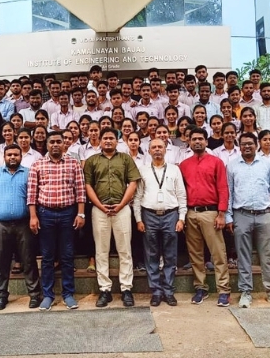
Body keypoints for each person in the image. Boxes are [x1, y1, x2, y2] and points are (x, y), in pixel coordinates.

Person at [27, 131, 87, 311]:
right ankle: (48, 295)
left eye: (58, 141)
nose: (55, 144)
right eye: (51, 141)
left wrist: (81, 214)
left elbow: (80, 190)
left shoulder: (73, 163)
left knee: (67, 256)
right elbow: (32, 193)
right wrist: (33, 216)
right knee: (47, 257)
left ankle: (68, 294)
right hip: (45, 214)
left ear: (64, 144)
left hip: (68, 214)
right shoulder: (37, 164)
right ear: (47, 145)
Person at [225, 132, 270, 308]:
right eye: (243, 144)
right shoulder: (232, 165)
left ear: (256, 145)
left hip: (264, 214)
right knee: (243, 256)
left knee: (268, 256)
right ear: (239, 146)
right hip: (241, 214)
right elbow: (229, 192)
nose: (247, 146)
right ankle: (245, 292)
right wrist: (228, 216)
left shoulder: (267, 164)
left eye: (250, 143)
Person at [84, 128, 141, 308]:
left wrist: (122, 204)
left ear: (117, 141)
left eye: (111, 138)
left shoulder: (125, 159)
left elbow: (133, 183)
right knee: (101, 251)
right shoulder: (92, 161)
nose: (108, 141)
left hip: (121, 209)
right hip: (99, 210)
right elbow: (87, 186)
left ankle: (126, 288)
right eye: (105, 138)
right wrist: (100, 206)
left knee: (125, 250)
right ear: (100, 141)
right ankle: (105, 289)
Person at [0, 144, 42, 310]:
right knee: (2, 262)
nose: (12, 157)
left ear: (21, 156)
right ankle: (2, 295)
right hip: (0, 224)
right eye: (9, 155)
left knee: (28, 260)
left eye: (16, 154)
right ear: (4, 157)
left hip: (24, 224)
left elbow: (35, 196)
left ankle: (34, 294)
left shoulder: (29, 173)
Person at [179, 127, 231, 307]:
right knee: (195, 254)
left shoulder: (216, 162)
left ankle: (223, 290)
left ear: (206, 142)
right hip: (191, 212)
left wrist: (221, 213)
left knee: (218, 253)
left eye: (200, 139)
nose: (197, 142)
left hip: (211, 212)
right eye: (194, 139)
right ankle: (200, 287)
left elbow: (223, 188)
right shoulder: (184, 165)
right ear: (189, 142)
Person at [133, 138, 186, 307]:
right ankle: (156, 291)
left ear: (165, 150)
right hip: (149, 215)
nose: (157, 150)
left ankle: (168, 291)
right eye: (154, 147)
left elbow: (181, 194)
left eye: (160, 147)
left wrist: (181, 218)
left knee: (170, 254)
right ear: (149, 151)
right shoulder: (142, 170)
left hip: (171, 215)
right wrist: (138, 219)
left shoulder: (174, 169)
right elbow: (137, 196)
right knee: (151, 254)